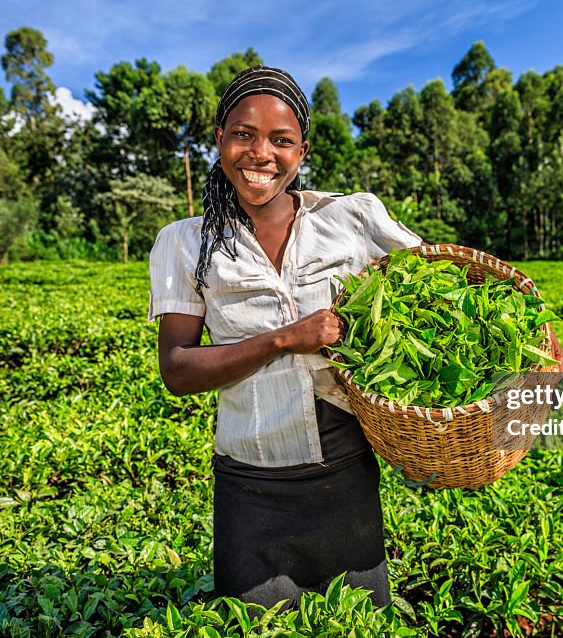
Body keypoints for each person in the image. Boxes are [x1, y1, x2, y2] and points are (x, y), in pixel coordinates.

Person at [147, 66, 422, 610]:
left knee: (358, 619)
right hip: (251, 485)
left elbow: (434, 294)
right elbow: (177, 371)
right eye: (243, 134)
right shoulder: (184, 243)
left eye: (281, 140)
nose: (260, 154)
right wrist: (284, 339)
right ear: (220, 138)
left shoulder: (352, 218)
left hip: (344, 474)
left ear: (302, 150)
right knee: (255, 621)